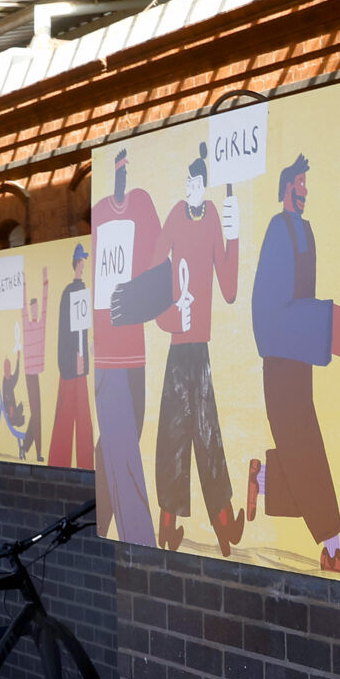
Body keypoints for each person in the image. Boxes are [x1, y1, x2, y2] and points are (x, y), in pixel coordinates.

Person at [248, 153, 340, 573]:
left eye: (306, 184)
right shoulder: (279, 230)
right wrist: (323, 323)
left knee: (302, 450)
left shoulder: (304, 231)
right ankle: (331, 550)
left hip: (299, 362)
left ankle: (261, 478)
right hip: (281, 361)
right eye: (300, 184)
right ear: (286, 187)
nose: (305, 191)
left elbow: (298, 299)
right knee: (306, 449)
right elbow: (267, 309)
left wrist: (320, 326)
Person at [132, 146, 241, 554]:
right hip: (180, 346)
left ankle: (216, 525)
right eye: (187, 182)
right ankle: (193, 524)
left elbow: (228, 287)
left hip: (199, 348)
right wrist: (174, 313)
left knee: (204, 432)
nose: (190, 188)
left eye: (196, 182)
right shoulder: (177, 215)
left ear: (205, 185)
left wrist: (233, 235)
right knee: (176, 434)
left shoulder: (211, 218)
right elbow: (153, 274)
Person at [90, 148, 158, 545]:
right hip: (107, 358)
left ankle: (98, 524)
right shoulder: (99, 213)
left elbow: (156, 264)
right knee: (123, 447)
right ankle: (141, 542)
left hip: (136, 352)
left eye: (125, 166)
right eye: (117, 166)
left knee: (124, 438)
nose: (121, 172)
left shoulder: (143, 206)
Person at [49, 243, 94, 469]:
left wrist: (85, 354)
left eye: (84, 261)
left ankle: (86, 463)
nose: (83, 265)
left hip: (80, 363)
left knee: (83, 418)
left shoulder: (81, 290)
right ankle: (59, 463)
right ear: (76, 264)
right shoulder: (69, 293)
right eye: (81, 261)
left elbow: (82, 329)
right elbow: (66, 330)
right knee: (66, 416)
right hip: (70, 365)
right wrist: (72, 357)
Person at [18, 265, 49, 462]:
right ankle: (34, 452)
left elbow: (46, 304)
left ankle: (28, 449)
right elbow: (22, 305)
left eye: (36, 308)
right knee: (36, 413)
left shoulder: (41, 325)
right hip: (29, 374)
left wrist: (45, 281)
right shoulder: (27, 325)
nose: (35, 310)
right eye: (33, 308)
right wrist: (23, 282)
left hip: (37, 373)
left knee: (37, 414)